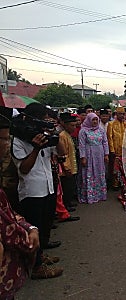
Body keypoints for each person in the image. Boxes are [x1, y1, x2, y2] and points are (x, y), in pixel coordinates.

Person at [11, 103, 64, 279]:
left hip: (48, 187)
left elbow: (61, 154)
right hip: (32, 191)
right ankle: (36, 268)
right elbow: (24, 169)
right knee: (35, 228)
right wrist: (36, 148)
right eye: (42, 120)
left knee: (46, 223)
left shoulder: (43, 135)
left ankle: (40, 257)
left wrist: (56, 135)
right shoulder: (18, 140)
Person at [0, 108, 41, 297]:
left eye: (8, 139)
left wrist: (29, 228)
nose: (6, 145)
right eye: (3, 139)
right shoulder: (21, 144)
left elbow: (6, 212)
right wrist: (28, 240)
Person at [78, 113, 109, 204]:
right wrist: (83, 157)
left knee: (100, 173)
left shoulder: (101, 130)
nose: (95, 122)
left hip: (99, 154)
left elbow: (105, 142)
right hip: (89, 155)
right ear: (88, 120)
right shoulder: (83, 131)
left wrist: (106, 154)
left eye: (96, 120)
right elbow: (82, 145)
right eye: (93, 120)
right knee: (89, 173)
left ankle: (100, 194)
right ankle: (89, 195)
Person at [59, 113, 79, 211]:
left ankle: (68, 204)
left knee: (70, 186)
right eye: (72, 125)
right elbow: (64, 154)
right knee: (66, 188)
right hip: (66, 168)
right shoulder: (62, 136)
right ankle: (65, 206)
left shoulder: (68, 135)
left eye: (75, 125)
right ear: (65, 125)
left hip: (72, 165)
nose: (74, 128)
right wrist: (66, 168)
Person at [107, 107, 126, 190]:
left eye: (123, 114)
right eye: (120, 114)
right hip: (115, 150)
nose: (122, 116)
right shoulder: (111, 124)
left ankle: (122, 183)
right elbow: (110, 137)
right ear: (116, 114)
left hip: (124, 150)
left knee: (123, 168)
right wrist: (112, 150)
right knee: (115, 168)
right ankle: (115, 184)